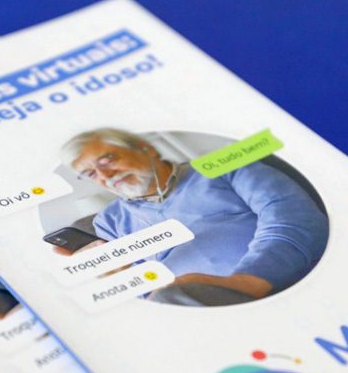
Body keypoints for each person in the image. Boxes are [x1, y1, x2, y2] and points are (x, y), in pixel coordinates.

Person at [59, 128, 329, 306]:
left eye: (107, 160)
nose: (105, 176)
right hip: (189, 312)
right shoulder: (108, 221)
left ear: (145, 148)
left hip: (276, 287)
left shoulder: (222, 164)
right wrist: (120, 281)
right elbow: (144, 290)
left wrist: (246, 281)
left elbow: (295, 218)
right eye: (91, 174)